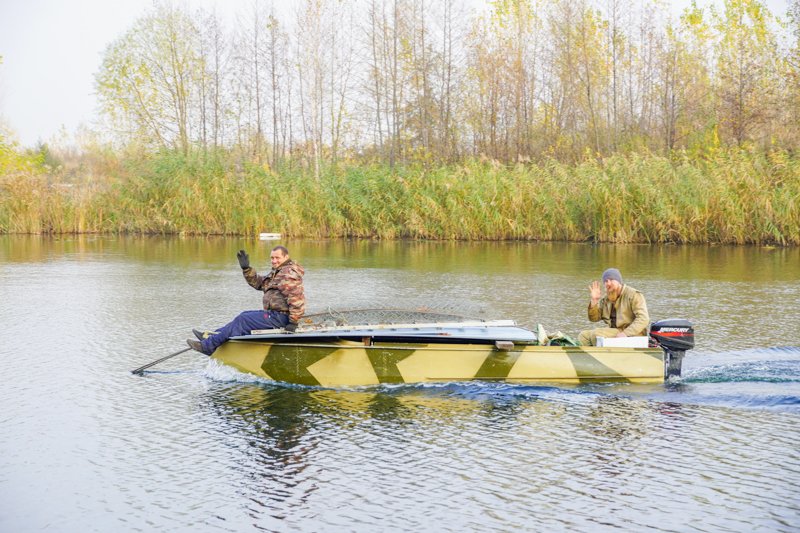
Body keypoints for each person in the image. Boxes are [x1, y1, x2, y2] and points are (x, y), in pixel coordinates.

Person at [187, 245, 305, 355]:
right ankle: (211, 336)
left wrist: (293, 322)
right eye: (272, 258)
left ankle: (208, 346)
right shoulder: (279, 272)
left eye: (277, 258)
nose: (274, 261)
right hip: (273, 315)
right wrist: (246, 269)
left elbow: (296, 299)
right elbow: (260, 283)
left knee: (243, 319)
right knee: (244, 315)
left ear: (286, 257)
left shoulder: (288, 273)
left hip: (281, 318)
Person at [578, 267, 649, 346]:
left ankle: (601, 356)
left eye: (611, 280)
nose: (608, 283)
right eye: (605, 281)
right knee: (583, 336)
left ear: (618, 281)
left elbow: (643, 319)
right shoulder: (606, 299)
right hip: (616, 331)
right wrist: (594, 301)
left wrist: (625, 333)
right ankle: (587, 356)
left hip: (634, 334)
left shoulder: (633, 295)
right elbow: (594, 319)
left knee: (597, 334)